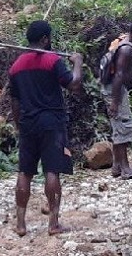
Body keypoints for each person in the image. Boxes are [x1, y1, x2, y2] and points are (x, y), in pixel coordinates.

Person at [8, 20, 83, 237]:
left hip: (27, 125)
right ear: (44, 39)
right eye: (49, 38)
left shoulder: (16, 66)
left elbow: (15, 101)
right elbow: (74, 84)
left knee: (25, 172)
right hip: (52, 124)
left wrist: (18, 125)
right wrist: (77, 62)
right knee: (52, 170)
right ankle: (53, 224)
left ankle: (21, 224)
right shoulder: (53, 61)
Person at [103, 21, 132, 180]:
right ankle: (125, 169)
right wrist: (115, 102)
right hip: (115, 90)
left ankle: (117, 166)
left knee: (119, 126)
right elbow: (118, 76)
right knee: (123, 126)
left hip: (115, 89)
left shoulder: (124, 42)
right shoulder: (125, 50)